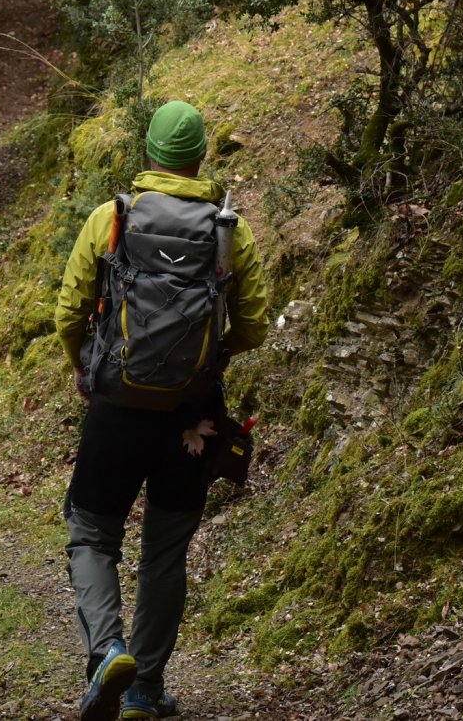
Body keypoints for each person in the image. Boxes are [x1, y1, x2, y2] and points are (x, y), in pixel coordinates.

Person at [55, 100, 269, 721]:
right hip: (191, 417)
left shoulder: (111, 218)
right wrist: (214, 357)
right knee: (165, 550)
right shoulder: (231, 231)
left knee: (92, 529)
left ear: (149, 154)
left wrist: (81, 363)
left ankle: (107, 650)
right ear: (201, 157)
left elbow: (70, 311)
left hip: (116, 407)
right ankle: (145, 689)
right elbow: (253, 323)